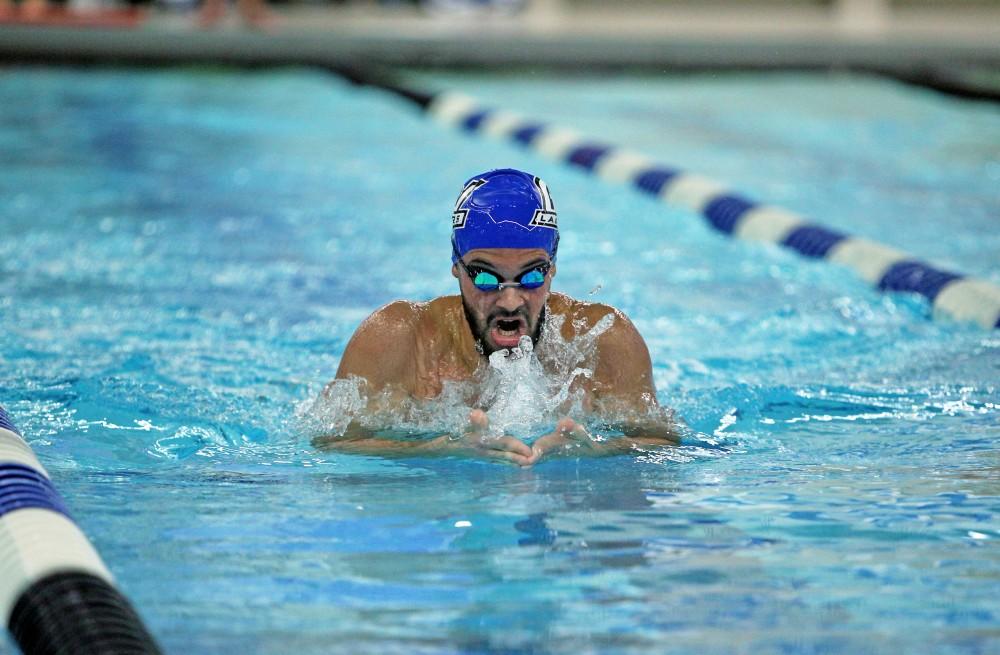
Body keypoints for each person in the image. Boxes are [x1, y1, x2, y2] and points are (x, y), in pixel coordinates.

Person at [313, 168, 677, 466]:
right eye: (485, 276)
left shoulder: (602, 338)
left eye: (532, 274)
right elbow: (329, 445)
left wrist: (599, 452)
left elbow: (664, 443)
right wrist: (437, 451)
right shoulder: (399, 338)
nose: (509, 300)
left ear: (552, 268)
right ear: (457, 266)